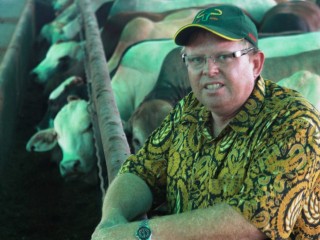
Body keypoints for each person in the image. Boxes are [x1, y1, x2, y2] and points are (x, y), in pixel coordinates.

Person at [92, 4, 320, 240]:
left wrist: (140, 233)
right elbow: (142, 171)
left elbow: (253, 222)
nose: (209, 70)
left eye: (224, 56)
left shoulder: (294, 123)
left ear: (255, 64)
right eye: (197, 59)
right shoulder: (189, 108)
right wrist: (111, 221)